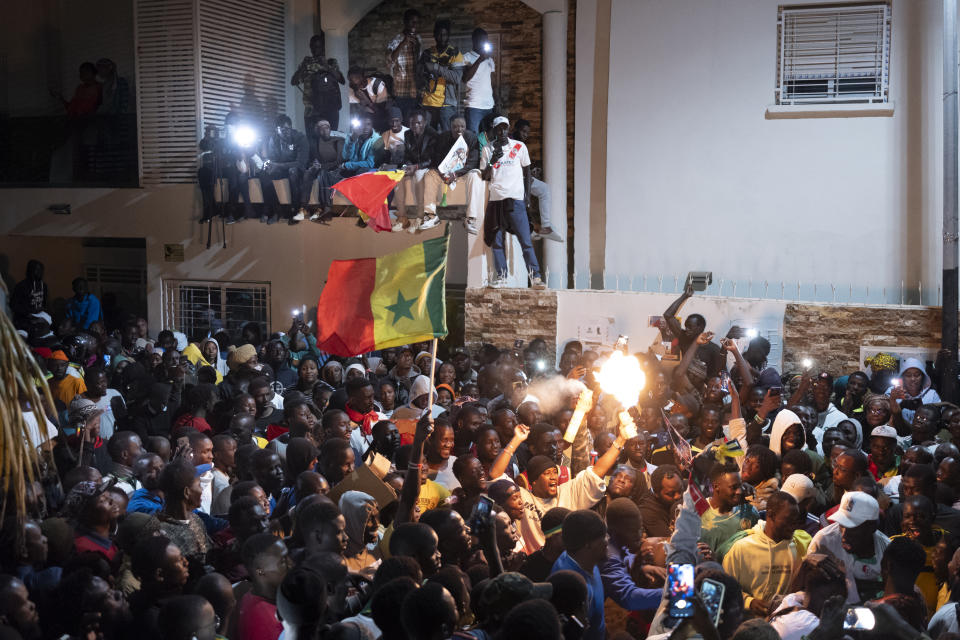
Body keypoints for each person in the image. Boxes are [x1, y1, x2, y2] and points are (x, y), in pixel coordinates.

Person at [481, 116, 545, 289]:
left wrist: (526, 197)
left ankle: (536, 278)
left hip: (516, 200)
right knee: (497, 241)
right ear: (494, 130)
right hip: (496, 200)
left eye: (505, 128)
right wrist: (493, 160)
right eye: (498, 128)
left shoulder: (519, 146)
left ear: (509, 129)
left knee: (525, 240)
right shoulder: (487, 149)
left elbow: (527, 171)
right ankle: (501, 277)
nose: (502, 131)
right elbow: (484, 176)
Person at [722, 491, 802, 617]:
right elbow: (725, 588)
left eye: (796, 521)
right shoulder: (741, 548)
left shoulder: (796, 549)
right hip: (746, 625)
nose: (793, 526)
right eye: (788, 520)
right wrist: (749, 602)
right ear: (771, 515)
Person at [808, 491, 890, 603]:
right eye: (842, 524)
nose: (844, 534)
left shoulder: (886, 549)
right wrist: (809, 561)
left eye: (852, 527)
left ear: (872, 527)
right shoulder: (824, 540)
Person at [550, 510, 608, 640]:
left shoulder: (583, 558)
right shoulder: (574, 589)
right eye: (603, 537)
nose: (607, 541)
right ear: (588, 544)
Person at [423, 114, 484, 234]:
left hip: (463, 173)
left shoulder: (471, 138)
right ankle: (431, 216)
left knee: (476, 174)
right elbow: (437, 159)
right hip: (445, 173)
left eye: (462, 126)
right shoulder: (443, 138)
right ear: (450, 127)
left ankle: (470, 219)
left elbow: (473, 162)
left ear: (466, 126)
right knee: (429, 174)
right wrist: (442, 173)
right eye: (455, 127)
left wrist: (456, 174)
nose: (459, 129)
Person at [600, 497, 662, 612]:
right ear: (614, 532)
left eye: (640, 529)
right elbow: (629, 598)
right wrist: (673, 594)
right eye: (633, 531)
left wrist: (640, 565)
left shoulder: (617, 543)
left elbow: (626, 558)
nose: (640, 535)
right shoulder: (608, 556)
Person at [512, 119, 561, 242]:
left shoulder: (520, 144)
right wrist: (525, 177)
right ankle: (529, 229)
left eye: (527, 133)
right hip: (512, 179)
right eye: (523, 131)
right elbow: (510, 163)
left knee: (544, 189)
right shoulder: (513, 143)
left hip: (523, 177)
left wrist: (530, 174)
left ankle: (545, 226)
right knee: (524, 199)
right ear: (515, 130)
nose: (525, 135)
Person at [700, 462, 759, 559]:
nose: (739, 491)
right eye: (734, 487)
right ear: (716, 487)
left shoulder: (750, 512)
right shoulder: (698, 516)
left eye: (740, 486)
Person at [237, 534, 290, 640]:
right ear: (260, 571)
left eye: (288, 557)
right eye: (283, 562)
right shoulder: (267, 621)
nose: (291, 564)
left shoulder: (253, 596)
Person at [260, 115, 309, 224]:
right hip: (281, 168)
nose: (287, 131)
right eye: (283, 129)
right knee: (264, 173)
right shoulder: (274, 139)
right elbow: (272, 159)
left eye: (288, 128)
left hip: (297, 169)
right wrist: (268, 164)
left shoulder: (300, 138)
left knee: (293, 171)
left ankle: (295, 210)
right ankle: (275, 210)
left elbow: (301, 163)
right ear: (276, 130)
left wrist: (277, 165)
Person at [416, 19, 463, 132]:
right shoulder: (427, 53)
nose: (442, 38)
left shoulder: (455, 53)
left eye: (445, 34)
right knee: (428, 137)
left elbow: (456, 78)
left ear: (448, 36)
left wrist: (436, 68)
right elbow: (418, 76)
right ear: (434, 35)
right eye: (439, 34)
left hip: (446, 105)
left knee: (447, 137)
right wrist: (425, 74)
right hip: (428, 102)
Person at [394, 111, 437, 232]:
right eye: (413, 123)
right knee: (398, 176)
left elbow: (432, 159)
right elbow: (407, 155)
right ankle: (402, 218)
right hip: (414, 165)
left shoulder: (433, 134)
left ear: (425, 123)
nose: (416, 126)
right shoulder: (408, 134)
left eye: (419, 123)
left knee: (418, 176)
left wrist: (416, 167)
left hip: (428, 166)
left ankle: (420, 217)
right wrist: (407, 166)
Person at [292, 34, 345, 133]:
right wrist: (303, 67)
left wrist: (326, 66)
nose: (315, 49)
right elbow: (294, 82)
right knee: (313, 144)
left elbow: (342, 80)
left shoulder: (331, 62)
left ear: (323, 47)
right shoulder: (307, 64)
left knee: (331, 140)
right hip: (312, 109)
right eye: (312, 46)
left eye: (318, 46)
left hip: (330, 108)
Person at [303, 119, 344, 221]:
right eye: (321, 128)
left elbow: (339, 161)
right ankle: (303, 206)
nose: (324, 130)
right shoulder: (315, 143)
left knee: (324, 174)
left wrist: (322, 166)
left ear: (330, 129)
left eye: (327, 127)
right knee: (308, 173)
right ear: (318, 131)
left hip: (336, 171)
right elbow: (309, 159)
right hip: (321, 169)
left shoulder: (338, 141)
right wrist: (313, 164)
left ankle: (326, 208)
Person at [386, 9, 422, 120]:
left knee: (413, 123)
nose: (414, 25)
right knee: (401, 124)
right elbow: (390, 60)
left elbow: (419, 62)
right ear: (405, 22)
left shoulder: (418, 39)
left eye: (416, 22)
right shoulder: (396, 40)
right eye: (412, 22)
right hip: (400, 92)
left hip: (414, 91)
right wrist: (403, 43)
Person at [888, 357, 942, 428]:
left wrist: (923, 409)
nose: (913, 379)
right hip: (898, 433)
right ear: (902, 377)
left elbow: (938, 417)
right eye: (908, 375)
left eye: (917, 375)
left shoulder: (932, 395)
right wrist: (894, 402)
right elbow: (884, 415)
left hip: (924, 433)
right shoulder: (892, 392)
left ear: (923, 376)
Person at [462, 28, 496, 132]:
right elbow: (465, 78)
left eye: (485, 41)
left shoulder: (490, 60)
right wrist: (480, 59)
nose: (483, 43)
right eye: (481, 40)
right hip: (473, 106)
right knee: (473, 139)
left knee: (488, 140)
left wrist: (495, 101)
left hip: (489, 105)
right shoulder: (466, 57)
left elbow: (492, 82)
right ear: (474, 40)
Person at [638, 464, 685, 538]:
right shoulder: (648, 513)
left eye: (680, 490)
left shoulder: (685, 487)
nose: (678, 496)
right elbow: (673, 542)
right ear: (656, 493)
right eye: (670, 494)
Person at [348, 66, 389, 130]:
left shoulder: (377, 84)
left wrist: (366, 100)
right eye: (351, 79)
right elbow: (354, 110)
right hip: (364, 120)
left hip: (381, 120)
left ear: (363, 77)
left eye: (356, 78)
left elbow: (381, 111)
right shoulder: (352, 88)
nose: (354, 82)